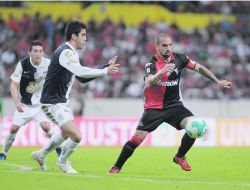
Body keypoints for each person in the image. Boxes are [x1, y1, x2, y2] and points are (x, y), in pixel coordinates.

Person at [108, 33, 232, 173]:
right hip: (154, 108)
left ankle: (180, 156)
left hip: (174, 106)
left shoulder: (180, 58)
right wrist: (161, 72)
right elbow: (148, 82)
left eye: (170, 45)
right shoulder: (152, 63)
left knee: (196, 127)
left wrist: (217, 81)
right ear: (157, 46)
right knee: (137, 139)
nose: (168, 48)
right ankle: (116, 167)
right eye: (164, 45)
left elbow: (200, 68)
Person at [31, 21, 119, 173]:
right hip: (51, 102)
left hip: (62, 102)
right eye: (83, 35)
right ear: (74, 36)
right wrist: (105, 72)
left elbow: (82, 78)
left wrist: (104, 67)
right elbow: (80, 73)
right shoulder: (65, 52)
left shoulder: (71, 53)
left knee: (66, 133)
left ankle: (41, 154)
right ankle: (62, 162)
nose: (85, 38)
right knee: (76, 136)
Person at [0, 41, 60, 160]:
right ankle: (4, 153)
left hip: (42, 105)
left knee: (46, 127)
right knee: (13, 128)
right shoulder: (23, 64)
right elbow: (13, 85)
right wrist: (17, 102)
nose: (38, 54)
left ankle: (59, 149)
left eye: (40, 51)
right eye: (35, 51)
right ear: (29, 52)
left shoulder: (49, 64)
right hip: (25, 104)